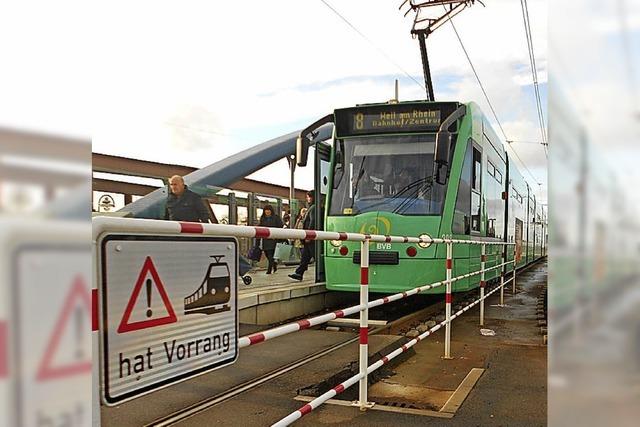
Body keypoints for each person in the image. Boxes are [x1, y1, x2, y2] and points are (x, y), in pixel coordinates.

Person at [289, 191, 315, 281]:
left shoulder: (313, 208)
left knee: (313, 255)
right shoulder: (311, 208)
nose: (307, 199)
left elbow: (312, 221)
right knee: (305, 256)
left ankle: (300, 272)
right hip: (309, 237)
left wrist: (309, 235)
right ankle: (299, 273)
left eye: (308, 197)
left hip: (311, 238)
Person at [257, 204, 283, 274]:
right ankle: (274, 264)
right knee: (267, 254)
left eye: (268, 210)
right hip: (265, 240)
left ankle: (269, 270)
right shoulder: (263, 219)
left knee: (271, 254)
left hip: (273, 239)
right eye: (266, 210)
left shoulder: (276, 218)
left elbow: (280, 226)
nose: (267, 212)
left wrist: (276, 234)